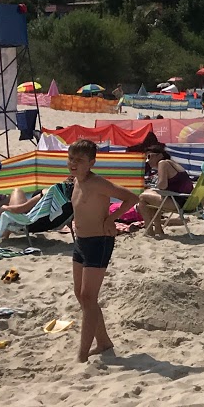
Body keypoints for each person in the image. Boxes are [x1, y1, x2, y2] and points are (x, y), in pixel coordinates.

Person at [68, 139, 138, 362]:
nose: (73, 163)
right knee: (81, 295)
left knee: (89, 297)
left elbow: (132, 197)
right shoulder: (76, 182)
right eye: (71, 158)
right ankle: (104, 342)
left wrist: (112, 219)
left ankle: (82, 356)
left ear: (91, 163)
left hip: (99, 241)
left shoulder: (97, 183)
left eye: (79, 160)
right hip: (81, 241)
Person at [136, 144, 196, 236]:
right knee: (149, 195)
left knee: (142, 198)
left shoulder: (163, 163)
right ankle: (158, 229)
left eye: (149, 156)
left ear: (159, 155)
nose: (147, 160)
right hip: (188, 201)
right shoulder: (171, 163)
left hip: (179, 202)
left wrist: (155, 184)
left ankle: (150, 230)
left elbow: (162, 186)